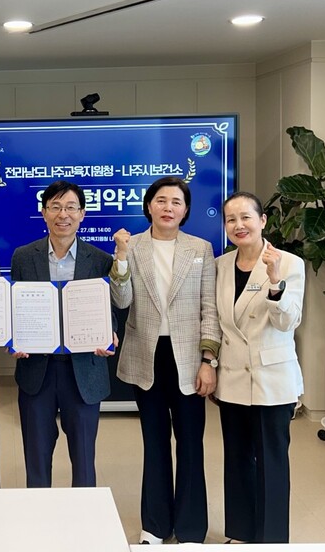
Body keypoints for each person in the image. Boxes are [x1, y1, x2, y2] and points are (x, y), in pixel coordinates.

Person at [111, 176, 220, 545]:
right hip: (148, 356)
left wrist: (209, 360)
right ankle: (155, 526)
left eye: (176, 202)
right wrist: (120, 258)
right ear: (149, 206)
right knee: (154, 442)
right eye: (161, 200)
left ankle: (190, 528)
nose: (168, 208)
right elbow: (122, 301)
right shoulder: (132, 246)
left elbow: (209, 308)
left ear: (185, 210)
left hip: (189, 358)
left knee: (191, 443)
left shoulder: (201, 248)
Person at [10, 180, 120, 488]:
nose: (63, 214)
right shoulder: (23, 256)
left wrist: (109, 332)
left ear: (82, 214)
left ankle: (84, 515)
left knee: (84, 460)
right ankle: (38, 514)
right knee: (36, 458)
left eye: (71, 207)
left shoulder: (100, 260)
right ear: (44, 212)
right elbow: (16, 307)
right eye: (55, 207)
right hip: (37, 370)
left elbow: (108, 308)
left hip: (84, 370)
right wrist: (14, 338)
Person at [214, 192, 304, 544]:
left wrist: (275, 282)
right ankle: (240, 534)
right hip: (233, 377)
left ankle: (271, 540)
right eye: (231, 219)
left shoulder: (288, 263)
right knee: (237, 459)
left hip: (272, 379)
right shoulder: (220, 266)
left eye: (246, 217)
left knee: (272, 462)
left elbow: (288, 322)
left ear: (262, 221)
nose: (239, 225)